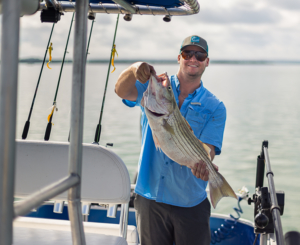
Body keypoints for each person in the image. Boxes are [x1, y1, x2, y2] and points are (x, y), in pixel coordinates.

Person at [115, 35, 226, 245]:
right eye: (188, 53)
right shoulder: (154, 88)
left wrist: (205, 164)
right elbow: (120, 90)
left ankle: (218, 186)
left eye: (200, 55)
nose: (193, 58)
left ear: (207, 61)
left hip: (190, 201)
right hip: (149, 197)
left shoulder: (216, 106)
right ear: (179, 57)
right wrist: (134, 69)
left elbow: (209, 150)